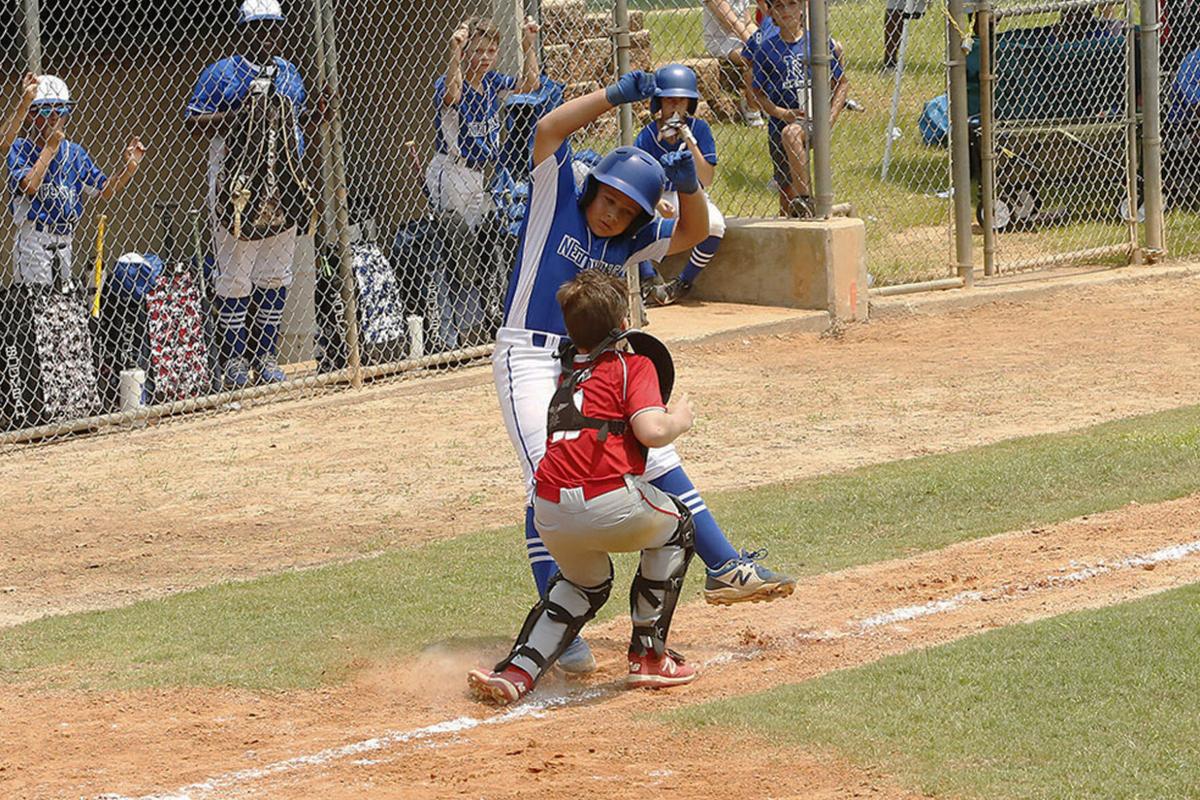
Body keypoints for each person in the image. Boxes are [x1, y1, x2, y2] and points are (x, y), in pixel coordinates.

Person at [492, 68, 796, 676]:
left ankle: (722, 565)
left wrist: (687, 185)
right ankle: (561, 624)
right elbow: (548, 129)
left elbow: (693, 230)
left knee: (654, 456)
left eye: (626, 210)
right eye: (608, 199)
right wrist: (618, 94)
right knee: (549, 476)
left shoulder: (625, 243)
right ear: (594, 187)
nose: (611, 215)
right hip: (528, 357)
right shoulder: (559, 198)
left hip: (594, 361)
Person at [470, 271, 700, 704]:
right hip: (609, 501)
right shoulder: (633, 365)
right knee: (679, 527)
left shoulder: (564, 377)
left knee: (581, 583)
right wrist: (680, 420)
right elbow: (651, 430)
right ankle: (649, 657)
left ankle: (518, 670)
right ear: (622, 322)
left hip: (549, 510)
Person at [184, 0, 324, 388]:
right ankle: (233, 361)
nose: (266, 33)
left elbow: (295, 119)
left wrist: (318, 115)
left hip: (284, 181)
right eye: (258, 26)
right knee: (235, 273)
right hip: (239, 183)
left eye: (272, 26)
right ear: (242, 30)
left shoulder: (289, 72)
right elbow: (193, 121)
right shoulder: (223, 72)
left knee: (276, 273)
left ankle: (264, 357)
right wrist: (239, 114)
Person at [8, 75, 145, 287]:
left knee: (61, 305)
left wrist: (128, 169)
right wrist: (50, 148)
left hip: (65, 239)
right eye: (46, 110)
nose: (54, 117)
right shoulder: (22, 148)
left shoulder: (75, 153)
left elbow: (104, 190)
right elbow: (30, 185)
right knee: (36, 302)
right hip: (34, 237)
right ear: (32, 115)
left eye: (60, 110)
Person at [426, 15, 541, 229]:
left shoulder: (490, 81)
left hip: (478, 173)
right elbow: (453, 94)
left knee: (475, 240)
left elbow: (531, 84)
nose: (485, 57)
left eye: (491, 50)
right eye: (477, 51)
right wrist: (455, 54)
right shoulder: (448, 82)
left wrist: (527, 45)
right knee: (455, 239)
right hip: (452, 170)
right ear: (466, 51)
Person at [635, 64, 726, 306]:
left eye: (681, 101)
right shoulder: (646, 136)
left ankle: (682, 283)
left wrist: (689, 140)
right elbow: (637, 181)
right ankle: (648, 279)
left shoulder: (700, 130)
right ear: (659, 103)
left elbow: (705, 180)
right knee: (635, 217)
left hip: (689, 194)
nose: (675, 107)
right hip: (656, 196)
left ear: (689, 104)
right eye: (669, 101)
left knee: (715, 225)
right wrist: (655, 201)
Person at [748, 0, 849, 217]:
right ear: (771, 12)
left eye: (791, 4)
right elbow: (757, 93)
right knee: (786, 194)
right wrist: (780, 113)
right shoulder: (766, 49)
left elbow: (841, 83)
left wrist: (829, 117)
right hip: (780, 122)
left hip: (812, 118)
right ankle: (794, 215)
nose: (786, 11)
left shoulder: (818, 43)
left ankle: (806, 201)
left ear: (802, 8)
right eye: (779, 6)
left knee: (792, 133)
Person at [702, 0, 765, 127]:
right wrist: (754, 45)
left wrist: (763, 38)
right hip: (723, 41)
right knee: (754, 58)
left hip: (742, 36)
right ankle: (751, 108)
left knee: (773, 51)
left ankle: (769, 102)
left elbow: (747, 22)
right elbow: (732, 23)